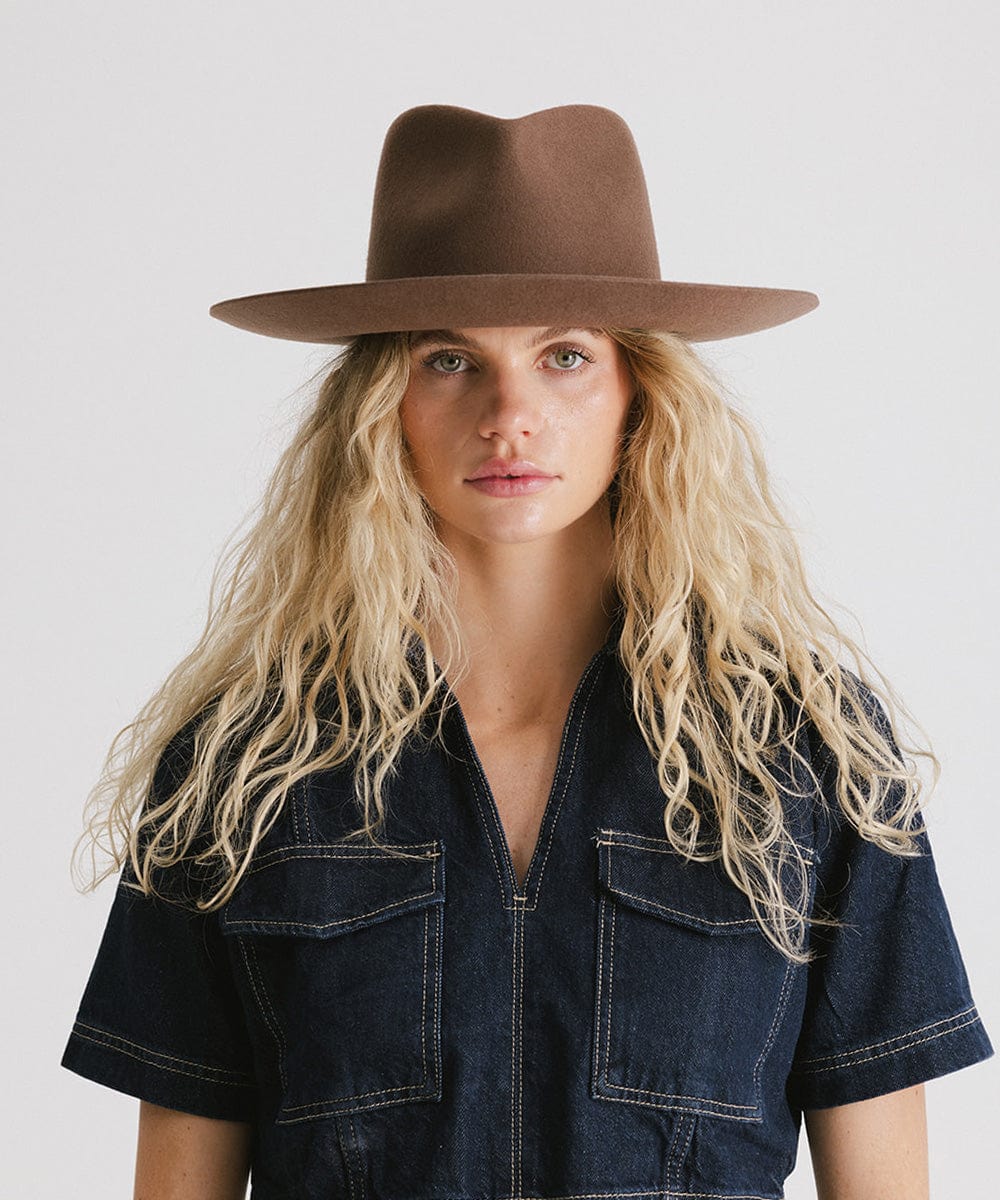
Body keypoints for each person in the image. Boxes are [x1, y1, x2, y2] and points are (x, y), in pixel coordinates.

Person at [62, 103, 992, 1200]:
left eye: (565, 356)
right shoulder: (247, 763)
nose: (511, 414)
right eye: (451, 359)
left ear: (640, 391)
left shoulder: (802, 748)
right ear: (381, 403)